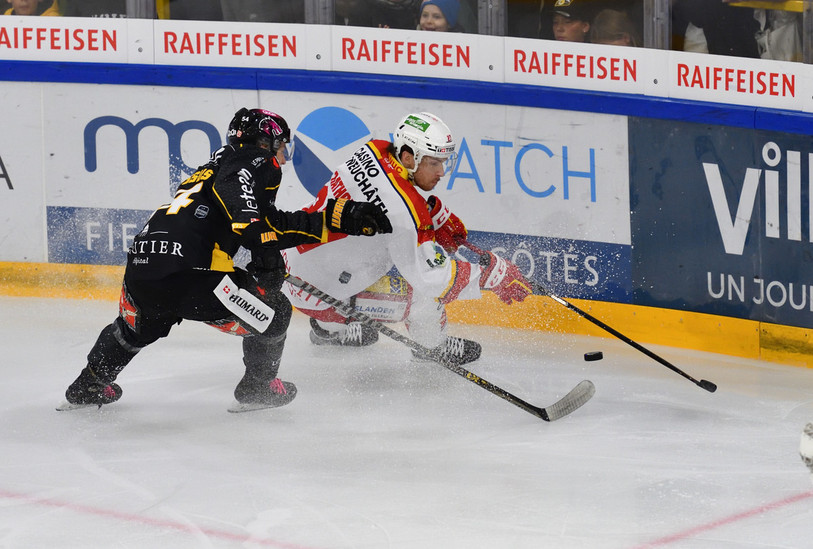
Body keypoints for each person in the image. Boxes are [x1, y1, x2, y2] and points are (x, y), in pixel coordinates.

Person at [60, 108, 392, 411]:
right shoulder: (252, 161)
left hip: (145, 266)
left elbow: (257, 225)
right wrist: (275, 243)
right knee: (275, 312)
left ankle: (87, 386)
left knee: (133, 332)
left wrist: (322, 225)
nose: (283, 158)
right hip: (192, 276)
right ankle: (257, 388)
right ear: (266, 142)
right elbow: (250, 219)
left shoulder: (208, 171)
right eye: (282, 147)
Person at [282, 112, 532, 366]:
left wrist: (434, 213)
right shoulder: (406, 213)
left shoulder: (374, 150)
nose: (441, 172)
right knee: (422, 296)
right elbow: (432, 279)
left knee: (360, 262)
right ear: (408, 157)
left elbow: (390, 193)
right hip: (319, 294)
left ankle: (327, 330)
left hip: (292, 262)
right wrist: (491, 275)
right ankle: (431, 347)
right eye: (434, 163)